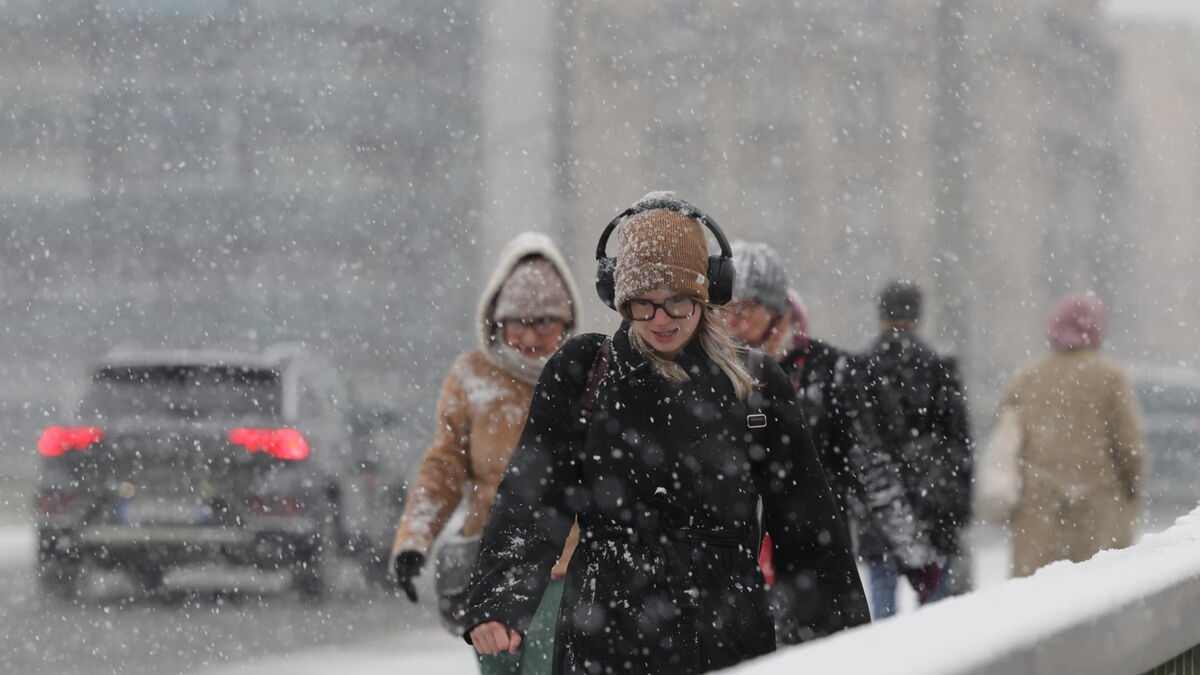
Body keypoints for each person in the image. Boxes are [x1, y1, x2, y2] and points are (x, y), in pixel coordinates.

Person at [463, 193, 869, 674]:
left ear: (706, 294)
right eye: (643, 304)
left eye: (677, 302)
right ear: (618, 297)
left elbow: (808, 529)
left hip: (723, 638)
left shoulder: (754, 387)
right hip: (603, 637)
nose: (660, 320)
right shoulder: (582, 374)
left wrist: (839, 643)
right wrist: (501, 597)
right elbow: (533, 497)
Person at [390, 232, 584, 675]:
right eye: (518, 321)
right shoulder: (472, 378)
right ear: (496, 320)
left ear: (567, 320)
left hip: (563, 568)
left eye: (545, 321)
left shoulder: (584, 377)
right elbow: (443, 466)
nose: (530, 335)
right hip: (491, 566)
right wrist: (414, 540)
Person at [723, 242, 938, 616]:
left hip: (814, 569)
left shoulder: (834, 372)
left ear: (776, 307)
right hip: (733, 570)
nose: (733, 321)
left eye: (745, 308)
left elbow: (871, 469)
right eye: (724, 310)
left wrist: (914, 555)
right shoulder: (715, 374)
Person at [997, 294, 1146, 577]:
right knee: (1099, 597)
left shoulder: (1029, 375)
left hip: (1038, 511)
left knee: (1038, 604)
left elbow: (1008, 439)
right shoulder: (1110, 377)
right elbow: (1130, 446)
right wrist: (1131, 487)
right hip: (1099, 508)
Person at [860, 280, 973, 617]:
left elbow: (854, 443)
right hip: (933, 501)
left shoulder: (860, 368)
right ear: (918, 316)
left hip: (880, 501)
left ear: (881, 314)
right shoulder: (939, 368)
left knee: (883, 593)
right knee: (935, 602)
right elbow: (959, 443)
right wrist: (960, 505)